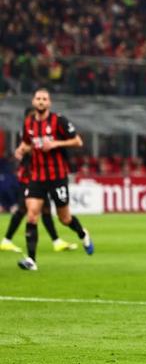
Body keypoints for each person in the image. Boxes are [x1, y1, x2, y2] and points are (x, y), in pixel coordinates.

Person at [13, 88, 94, 271]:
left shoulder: (59, 121)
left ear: (49, 103)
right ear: (33, 102)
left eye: (44, 99)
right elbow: (27, 143)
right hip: (37, 176)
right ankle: (31, 260)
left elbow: (78, 141)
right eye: (38, 98)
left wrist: (56, 143)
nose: (41, 101)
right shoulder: (28, 123)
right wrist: (21, 149)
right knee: (32, 214)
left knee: (64, 218)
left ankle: (82, 233)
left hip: (57, 177)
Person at [2, 109, 77, 254]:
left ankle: (56, 241)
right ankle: (7, 240)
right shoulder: (28, 132)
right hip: (30, 176)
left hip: (40, 177)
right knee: (24, 209)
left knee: (43, 209)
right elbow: (29, 150)